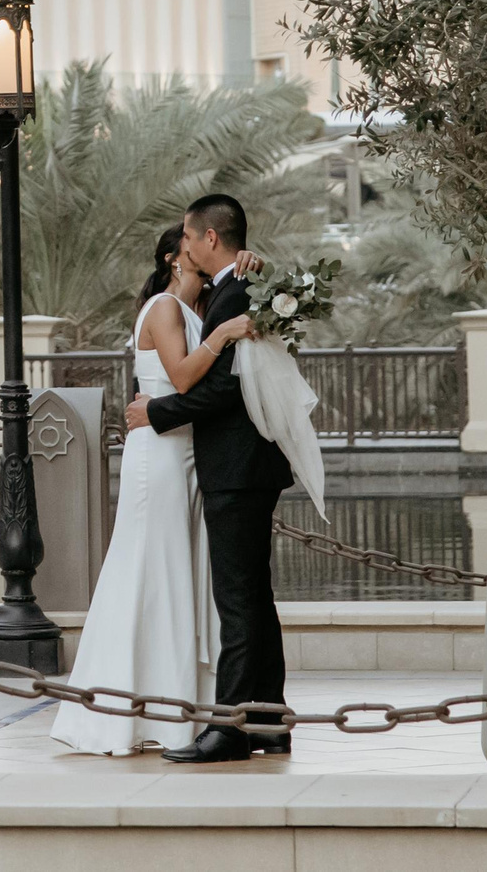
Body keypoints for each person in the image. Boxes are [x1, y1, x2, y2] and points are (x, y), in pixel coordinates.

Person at [49, 227, 255, 756]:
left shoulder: (200, 305)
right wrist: (223, 336)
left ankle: (174, 707)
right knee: (148, 570)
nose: (200, 247)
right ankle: (123, 710)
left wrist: (244, 269)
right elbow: (184, 378)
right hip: (159, 459)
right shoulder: (163, 308)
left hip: (186, 455)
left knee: (179, 575)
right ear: (174, 257)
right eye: (189, 242)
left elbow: (236, 281)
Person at [124, 193, 296, 763]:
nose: (187, 246)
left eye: (191, 237)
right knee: (252, 596)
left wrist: (158, 413)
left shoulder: (235, 294)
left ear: (209, 239)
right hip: (241, 465)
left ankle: (231, 729)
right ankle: (268, 720)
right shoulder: (236, 290)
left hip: (233, 466)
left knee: (238, 601)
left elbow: (225, 387)